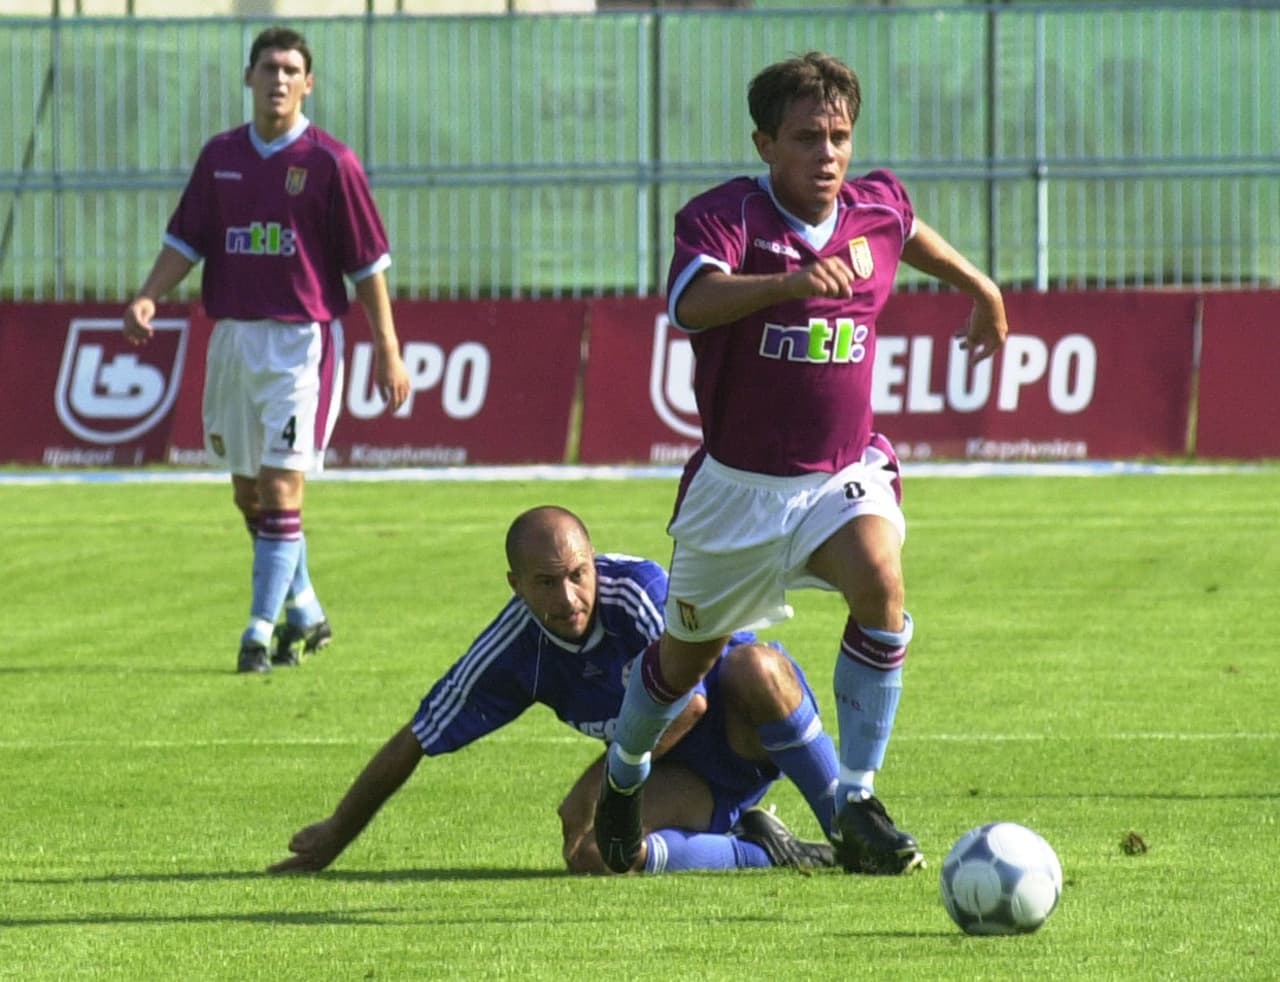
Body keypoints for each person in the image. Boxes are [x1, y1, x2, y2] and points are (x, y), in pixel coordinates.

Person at [595, 51, 1009, 876]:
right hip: (737, 494)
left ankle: (855, 797)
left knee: (881, 584)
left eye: (840, 136)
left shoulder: (872, 206)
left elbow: (906, 228)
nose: (828, 154)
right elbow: (690, 302)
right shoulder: (725, 219)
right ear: (764, 143)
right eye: (808, 137)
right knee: (682, 665)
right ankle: (623, 773)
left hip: (839, 473)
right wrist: (784, 285)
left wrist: (980, 286)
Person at [269, 505, 841, 876]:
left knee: (757, 666)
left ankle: (851, 823)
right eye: (545, 583)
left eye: (578, 575)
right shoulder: (513, 650)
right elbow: (418, 737)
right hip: (682, 772)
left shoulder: (636, 593)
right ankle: (760, 849)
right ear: (516, 587)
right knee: (593, 856)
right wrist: (336, 834)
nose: (568, 597)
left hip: (747, 726)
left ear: (593, 564)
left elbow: (689, 702)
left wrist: (599, 783)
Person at [122, 26, 411, 674]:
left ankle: (258, 631)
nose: (278, 79)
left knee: (282, 489)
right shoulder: (220, 156)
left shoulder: (333, 163)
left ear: (308, 83)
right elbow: (186, 242)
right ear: (247, 77)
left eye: (290, 69)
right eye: (268, 68)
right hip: (232, 340)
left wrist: (389, 351)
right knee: (248, 495)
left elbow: (370, 269)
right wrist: (147, 295)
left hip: (300, 346)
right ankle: (304, 607)